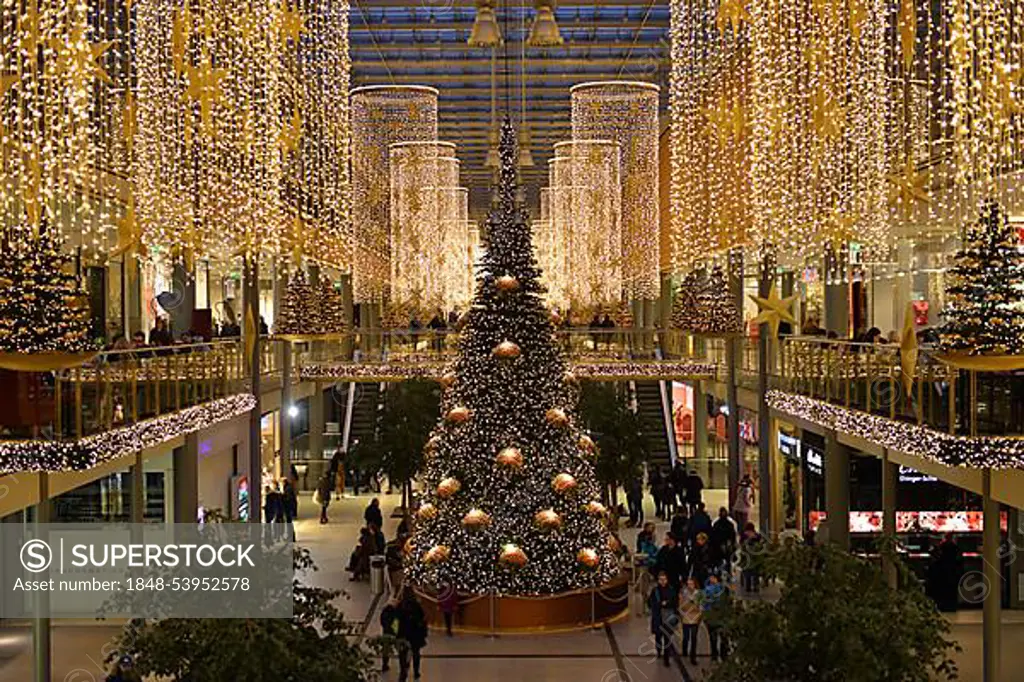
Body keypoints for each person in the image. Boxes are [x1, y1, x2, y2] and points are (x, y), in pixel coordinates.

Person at [648, 571, 679, 667]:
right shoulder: (655, 591)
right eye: (661, 579)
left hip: (668, 617)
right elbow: (649, 603)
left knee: (667, 639)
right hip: (658, 617)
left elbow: (675, 603)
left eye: (664, 579)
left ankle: (666, 658)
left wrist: (667, 604)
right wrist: (658, 605)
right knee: (658, 637)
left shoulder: (671, 590)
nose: (662, 581)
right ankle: (658, 651)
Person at [397, 587, 428, 681]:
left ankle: (403, 671)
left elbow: (397, 620)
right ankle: (416, 671)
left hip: (403, 634)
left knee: (402, 654)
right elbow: (422, 619)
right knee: (416, 653)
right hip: (415, 634)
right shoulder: (417, 606)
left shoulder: (401, 606)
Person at [701, 573, 731, 662]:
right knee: (715, 639)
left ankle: (721, 655)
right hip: (713, 618)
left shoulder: (723, 590)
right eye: (710, 578)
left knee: (721, 638)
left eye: (713, 578)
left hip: (720, 618)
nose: (711, 579)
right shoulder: (708, 590)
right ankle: (718, 655)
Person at [679, 576, 702, 666]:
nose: (690, 586)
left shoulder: (699, 594)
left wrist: (699, 614)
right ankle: (684, 650)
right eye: (688, 584)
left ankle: (693, 657)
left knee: (694, 638)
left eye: (691, 584)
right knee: (686, 637)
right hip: (686, 618)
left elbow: (701, 606)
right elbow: (680, 606)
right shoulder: (684, 593)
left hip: (695, 618)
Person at [739, 522, 763, 593]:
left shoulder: (744, 535)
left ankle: (748, 587)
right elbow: (760, 544)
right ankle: (756, 586)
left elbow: (741, 544)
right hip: (755, 556)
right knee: (755, 572)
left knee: (747, 572)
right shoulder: (757, 535)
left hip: (747, 557)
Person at [380, 597, 401, 673]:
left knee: (386, 650)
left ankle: (384, 665)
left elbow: (382, 621)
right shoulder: (397, 612)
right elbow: (397, 623)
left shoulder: (384, 611)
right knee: (400, 649)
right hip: (394, 634)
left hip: (386, 633)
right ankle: (403, 665)